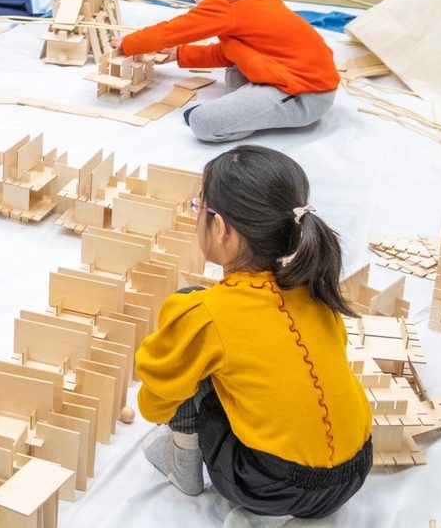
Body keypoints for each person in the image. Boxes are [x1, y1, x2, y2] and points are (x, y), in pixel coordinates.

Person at [134, 145, 372, 527]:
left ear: (222, 229)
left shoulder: (204, 315)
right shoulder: (316, 288)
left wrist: (170, 385)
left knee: (188, 357)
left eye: (200, 209)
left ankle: (186, 467)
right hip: (354, 473)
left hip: (270, 485)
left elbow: (154, 403)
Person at [114, 0, 339, 142]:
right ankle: (246, 107)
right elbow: (231, 51)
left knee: (203, 122)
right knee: (235, 63)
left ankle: (244, 113)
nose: (196, 1)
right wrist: (180, 55)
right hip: (294, 77)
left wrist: (127, 44)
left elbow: (172, 31)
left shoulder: (225, 3)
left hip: (306, 93)